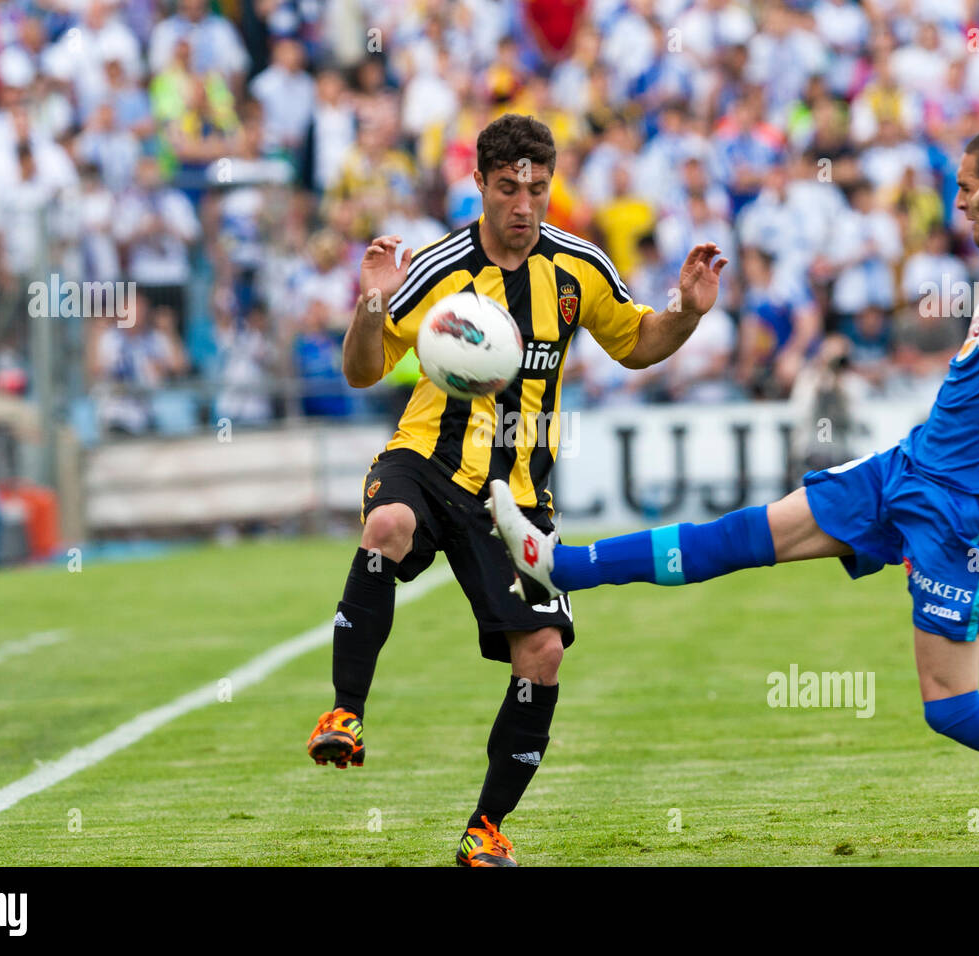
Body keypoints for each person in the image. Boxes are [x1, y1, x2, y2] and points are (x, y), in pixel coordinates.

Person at [487, 124, 979, 850]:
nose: (960, 203)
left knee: (951, 706)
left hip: (965, 511)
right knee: (744, 535)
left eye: (970, 189)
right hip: (907, 469)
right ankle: (561, 564)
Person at [306, 113, 726, 866]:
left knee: (541, 652)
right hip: (426, 461)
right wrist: (371, 304)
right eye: (508, 188)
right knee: (388, 527)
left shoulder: (577, 268)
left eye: (538, 186)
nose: (525, 204)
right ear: (480, 186)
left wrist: (687, 313)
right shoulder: (438, 269)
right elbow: (363, 371)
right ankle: (346, 713)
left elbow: (637, 345)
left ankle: (484, 828)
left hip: (516, 494)